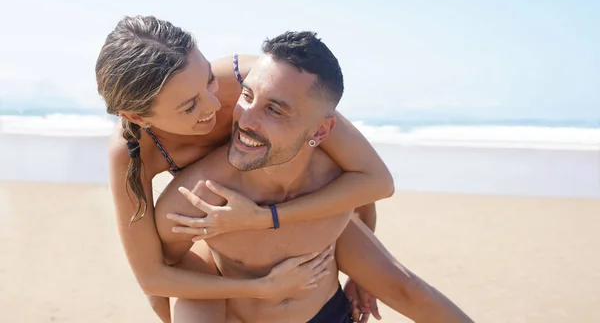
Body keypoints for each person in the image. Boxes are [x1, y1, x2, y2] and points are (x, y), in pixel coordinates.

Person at [95, 16, 470, 322]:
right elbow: (153, 274)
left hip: (298, 205)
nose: (214, 105)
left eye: (209, 78)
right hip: (223, 236)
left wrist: (354, 263)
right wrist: (257, 289)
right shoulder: (131, 156)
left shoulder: (256, 80)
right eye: (190, 106)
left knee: (409, 288)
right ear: (137, 117)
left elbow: (360, 175)